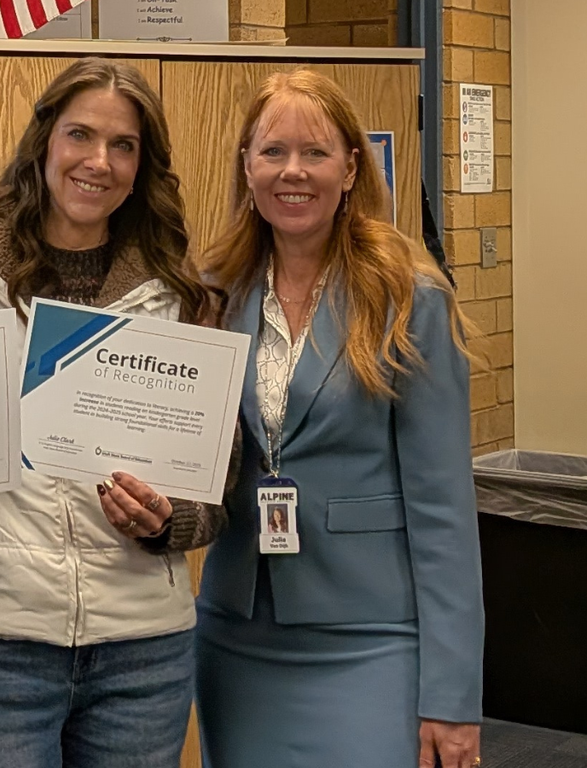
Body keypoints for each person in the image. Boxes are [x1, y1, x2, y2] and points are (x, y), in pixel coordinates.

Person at [0, 57, 233, 768]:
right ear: (43, 143)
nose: (99, 161)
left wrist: (171, 520)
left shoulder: (182, 296)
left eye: (123, 145)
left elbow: (218, 478)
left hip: (144, 652)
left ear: (141, 165)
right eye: (80, 135)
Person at [195, 69, 484, 768]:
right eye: (272, 152)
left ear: (351, 167)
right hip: (237, 635)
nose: (293, 172)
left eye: (316, 153)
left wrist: (453, 697)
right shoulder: (209, 294)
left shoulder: (409, 300)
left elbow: (444, 511)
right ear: (246, 166)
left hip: (373, 636)